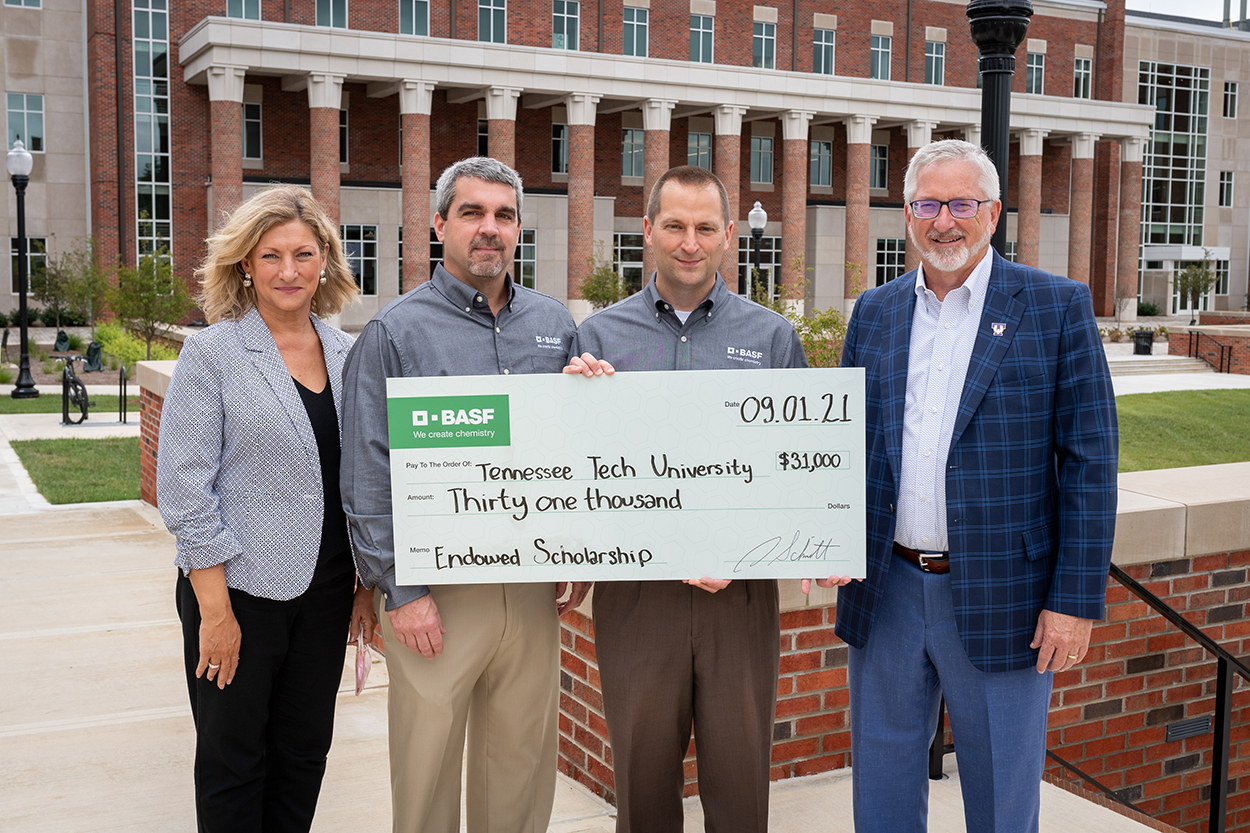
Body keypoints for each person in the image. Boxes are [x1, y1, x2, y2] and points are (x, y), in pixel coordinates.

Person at [824, 139, 1118, 832]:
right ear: (907, 214)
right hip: (886, 591)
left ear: (992, 212)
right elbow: (846, 444)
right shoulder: (875, 311)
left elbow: (1090, 463)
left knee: (1001, 802)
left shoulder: (1055, 307)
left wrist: (1073, 602)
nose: (944, 221)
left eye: (962, 203)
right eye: (929, 204)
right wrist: (825, 530)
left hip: (1005, 601)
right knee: (884, 795)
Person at [566, 165, 821, 833]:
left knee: (739, 793)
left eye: (705, 227)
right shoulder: (597, 338)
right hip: (636, 593)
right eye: (674, 225)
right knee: (643, 791)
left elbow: (799, 471)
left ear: (728, 236)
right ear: (648, 230)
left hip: (737, 594)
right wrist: (569, 404)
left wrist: (751, 549)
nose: (690, 241)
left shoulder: (771, 338)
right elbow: (574, 470)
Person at [340, 156, 587, 833]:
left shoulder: (555, 325)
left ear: (518, 231)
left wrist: (578, 546)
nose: (490, 229)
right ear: (439, 224)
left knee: (521, 770)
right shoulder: (395, 332)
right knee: (426, 775)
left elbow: (571, 448)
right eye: (473, 213)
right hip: (434, 598)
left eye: (504, 216)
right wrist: (401, 587)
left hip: (532, 586)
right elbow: (366, 471)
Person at [157, 185, 377, 833]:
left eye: (304, 254)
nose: (289, 270)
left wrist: (364, 585)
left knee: (303, 754)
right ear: (245, 264)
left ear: (325, 263)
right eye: (271, 254)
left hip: (327, 594)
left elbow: (360, 479)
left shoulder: (349, 354)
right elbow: (186, 494)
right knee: (233, 763)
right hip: (237, 595)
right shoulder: (212, 355)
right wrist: (216, 613)